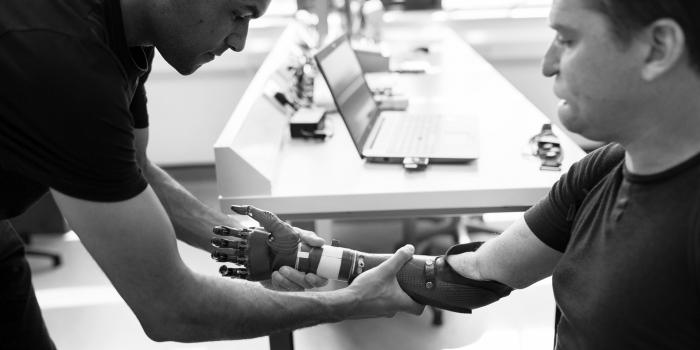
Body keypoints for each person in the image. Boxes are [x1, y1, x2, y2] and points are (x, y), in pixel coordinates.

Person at [0, 0, 422, 348]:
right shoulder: (65, 58)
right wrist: (349, 302)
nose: (240, 43)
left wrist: (252, 246)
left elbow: (136, 165)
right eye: (238, 14)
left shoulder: (128, 30)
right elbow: (170, 309)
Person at [444, 0, 700, 348]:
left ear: (657, 48)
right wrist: (351, 270)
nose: (548, 66)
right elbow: (477, 269)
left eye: (566, 40)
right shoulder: (607, 167)